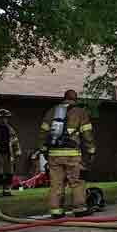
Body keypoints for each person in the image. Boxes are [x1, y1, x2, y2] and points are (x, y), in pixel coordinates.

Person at [38, 90, 95, 218]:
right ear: (76, 99)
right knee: (77, 181)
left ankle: (56, 211)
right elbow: (87, 134)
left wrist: (43, 149)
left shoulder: (52, 111)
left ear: (64, 98)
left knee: (56, 183)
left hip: (54, 154)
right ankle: (80, 209)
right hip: (72, 154)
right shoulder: (80, 112)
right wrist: (91, 150)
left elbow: (43, 132)